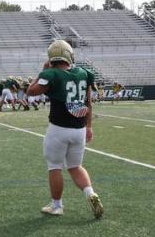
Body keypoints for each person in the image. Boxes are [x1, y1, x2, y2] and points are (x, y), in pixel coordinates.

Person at [27, 40, 103, 219]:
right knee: (76, 167)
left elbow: (31, 91)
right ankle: (91, 194)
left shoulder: (51, 73)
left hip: (58, 129)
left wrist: (42, 71)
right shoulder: (84, 73)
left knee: (54, 167)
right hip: (79, 129)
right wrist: (89, 126)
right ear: (70, 55)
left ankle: (56, 205)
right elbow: (88, 102)